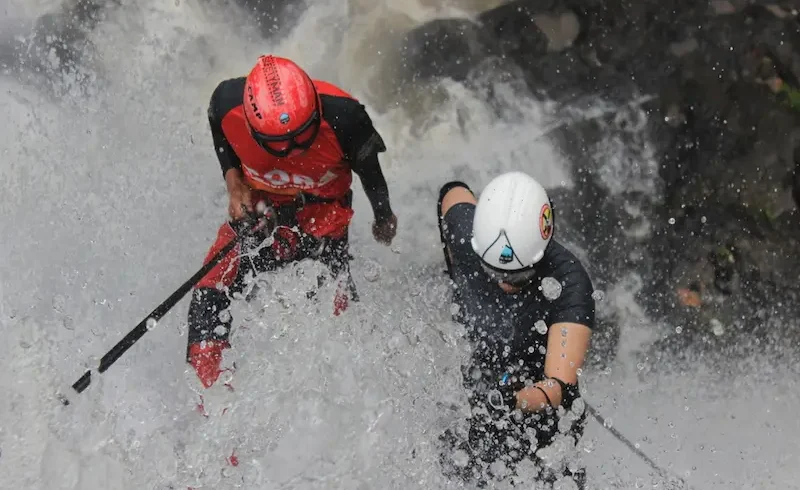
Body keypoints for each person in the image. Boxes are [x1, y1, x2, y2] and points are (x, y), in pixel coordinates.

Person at [186, 54, 398, 389]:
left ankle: (340, 384)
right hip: (262, 207)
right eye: (279, 145)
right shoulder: (228, 102)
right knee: (211, 287)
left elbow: (371, 174)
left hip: (323, 212)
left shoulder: (346, 117)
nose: (294, 151)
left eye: (302, 136)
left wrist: (383, 216)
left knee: (333, 306)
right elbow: (216, 120)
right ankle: (212, 392)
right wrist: (233, 181)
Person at [435, 171, 595, 488]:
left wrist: (514, 400)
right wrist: (453, 264)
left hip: (540, 415)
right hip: (478, 387)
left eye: (519, 277)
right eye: (494, 273)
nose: (506, 284)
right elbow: (451, 192)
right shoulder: (466, 235)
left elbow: (559, 387)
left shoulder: (568, 283)